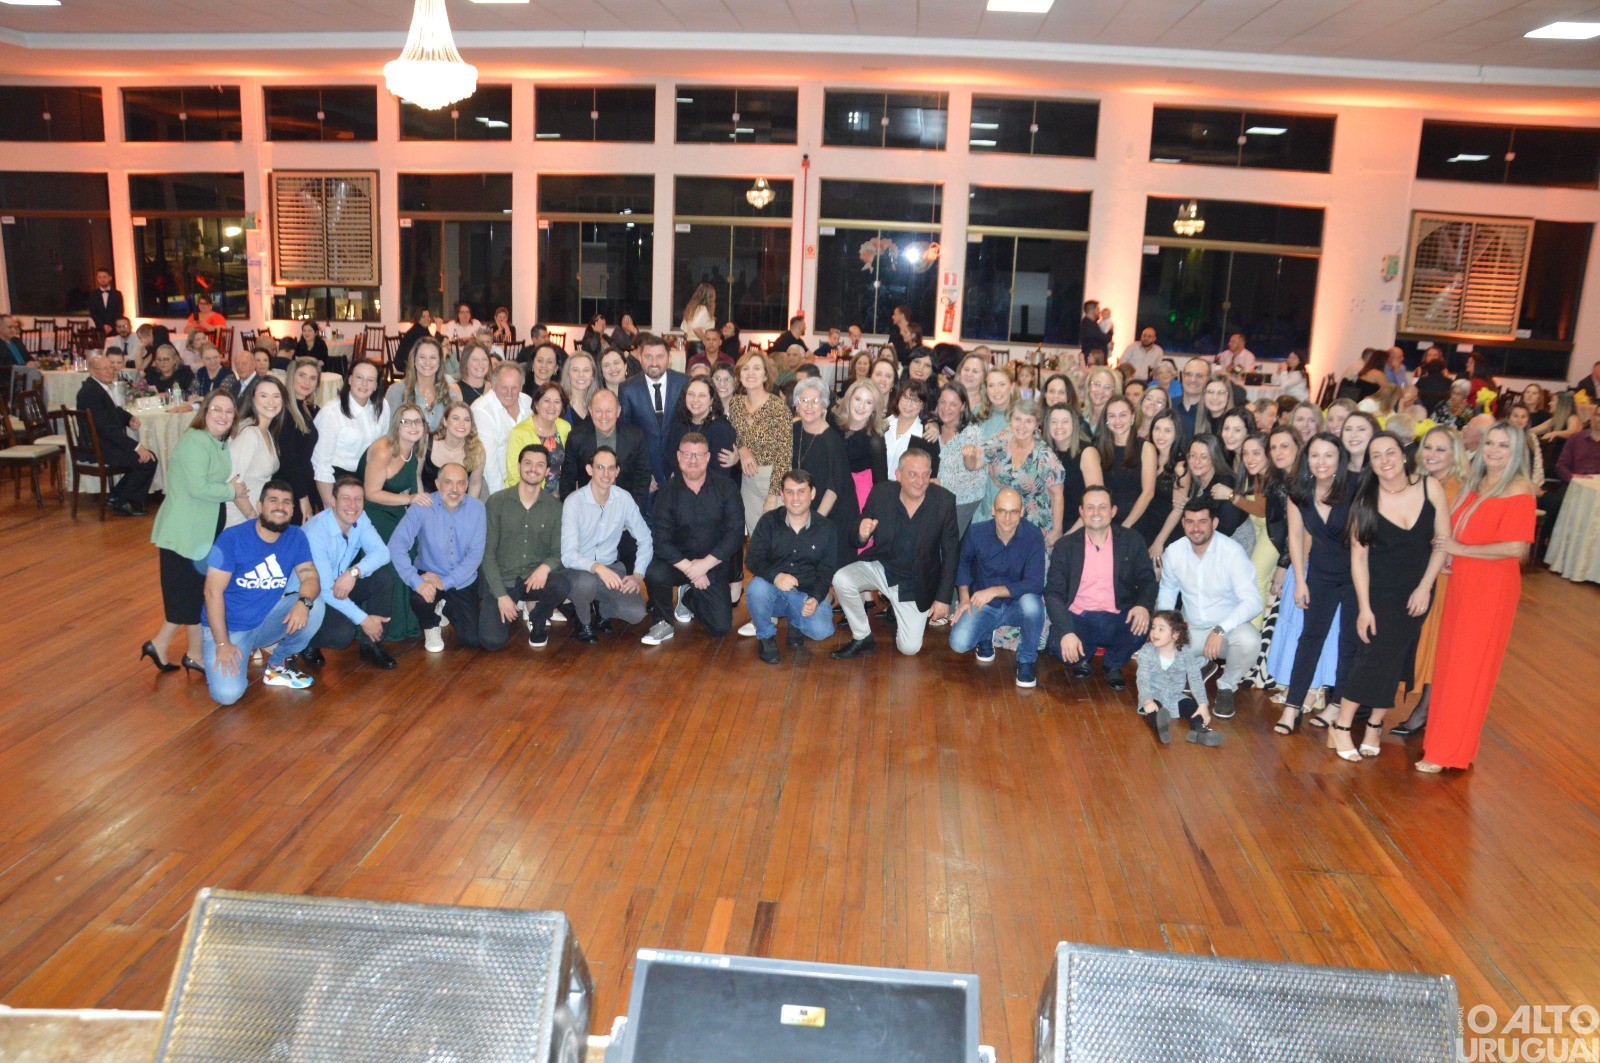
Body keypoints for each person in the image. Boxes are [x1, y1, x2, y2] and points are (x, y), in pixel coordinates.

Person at [1417, 424, 1537, 774]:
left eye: (1504, 445)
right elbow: (1458, 529)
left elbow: (1517, 548)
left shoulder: (1519, 489)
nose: (1495, 450)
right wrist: (1453, 554)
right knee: (1450, 665)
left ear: (1517, 452)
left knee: (1469, 669)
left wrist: (1461, 549)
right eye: (1490, 443)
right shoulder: (1477, 482)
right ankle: (1444, 744)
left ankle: (1447, 751)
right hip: (1462, 582)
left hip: (1491, 589)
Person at [1322, 433, 1449, 761]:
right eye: (1376, 456)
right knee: (1372, 657)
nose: (1384, 460)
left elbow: (1443, 543)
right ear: (1370, 463)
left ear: (1403, 455)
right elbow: (1358, 558)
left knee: (1396, 658)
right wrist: (1364, 608)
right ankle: (1342, 725)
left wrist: (1424, 587)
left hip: (1418, 591)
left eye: (1390, 452)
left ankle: (1376, 723)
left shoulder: (1429, 487)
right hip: (1377, 593)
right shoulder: (1365, 500)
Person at [143, 391, 250, 676]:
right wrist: (233, 491)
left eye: (229, 412)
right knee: (187, 595)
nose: (223, 416)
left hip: (199, 531)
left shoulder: (217, 442)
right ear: (204, 412)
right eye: (217, 409)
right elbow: (198, 487)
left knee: (190, 595)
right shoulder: (195, 441)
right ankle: (186, 652)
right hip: (183, 530)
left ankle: (174, 648)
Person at [200, 480, 324, 705]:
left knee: (315, 605)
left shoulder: (296, 536)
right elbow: (211, 593)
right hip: (229, 628)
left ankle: (278, 664)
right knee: (227, 695)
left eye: (287, 502)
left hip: (266, 619)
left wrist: (303, 603)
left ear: (293, 510)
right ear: (259, 506)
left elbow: (310, 577)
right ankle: (224, 651)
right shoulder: (232, 538)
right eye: (273, 501)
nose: (280, 507)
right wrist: (221, 643)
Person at [831, 450, 959, 658]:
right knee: (842, 579)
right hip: (883, 567)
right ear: (898, 475)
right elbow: (856, 536)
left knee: (909, 649)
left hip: (915, 582)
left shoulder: (944, 502)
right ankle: (862, 636)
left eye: (925, 474)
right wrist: (862, 534)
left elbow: (952, 553)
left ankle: (899, 613)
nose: (920, 481)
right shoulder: (882, 493)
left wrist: (943, 598)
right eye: (913, 474)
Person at [1272, 433, 1356, 735]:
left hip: (1355, 574)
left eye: (1328, 455)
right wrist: (1300, 579)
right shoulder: (1300, 492)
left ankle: (1336, 705)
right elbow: (1295, 536)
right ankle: (1292, 707)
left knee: (1349, 642)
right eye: (1315, 455)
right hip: (1319, 572)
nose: (1321, 462)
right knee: (1310, 639)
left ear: (1339, 460)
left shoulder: (1352, 490)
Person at [1390, 426, 1466, 737]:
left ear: (1454, 455)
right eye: (1429, 448)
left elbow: (1451, 531)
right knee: (1423, 640)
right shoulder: (1421, 481)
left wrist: (1447, 553)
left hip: (1441, 575)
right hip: (1417, 569)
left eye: (1441, 449)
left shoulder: (1456, 486)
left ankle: (1426, 709)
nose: (1433, 454)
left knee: (1435, 642)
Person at [1156, 499, 1263, 718]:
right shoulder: (1174, 552)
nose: (1196, 528)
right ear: (1183, 524)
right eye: (1190, 522)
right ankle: (1198, 665)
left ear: (1214, 523)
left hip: (1226, 633)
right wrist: (1166, 627)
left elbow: (1253, 601)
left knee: (1250, 640)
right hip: (1191, 629)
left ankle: (1226, 686)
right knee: (1158, 671)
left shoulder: (1232, 552)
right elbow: (1167, 590)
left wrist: (1220, 629)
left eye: (1202, 522)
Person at [1045, 484, 1156, 690]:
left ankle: (1113, 663)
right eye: (1090, 507)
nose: (1096, 513)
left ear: (1113, 511)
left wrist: (1143, 606)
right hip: (1079, 617)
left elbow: (1148, 580)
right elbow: (1053, 593)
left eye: (1102, 507)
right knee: (1062, 652)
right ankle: (1082, 656)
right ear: (1081, 512)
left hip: (1117, 616)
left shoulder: (1132, 540)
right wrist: (1067, 632)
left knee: (1144, 624)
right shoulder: (1065, 546)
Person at [641, 432, 744, 645]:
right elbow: (661, 540)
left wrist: (704, 566)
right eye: (688, 455)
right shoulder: (667, 492)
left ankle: (688, 597)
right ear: (678, 457)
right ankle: (663, 623)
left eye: (699, 455)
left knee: (720, 628)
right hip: (678, 564)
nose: (693, 461)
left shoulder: (727, 488)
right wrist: (691, 569)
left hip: (713, 563)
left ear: (708, 457)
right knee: (654, 571)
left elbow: (734, 535)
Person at [949, 488, 1048, 687]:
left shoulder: (1033, 536)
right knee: (958, 644)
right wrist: (964, 598)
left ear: (1022, 512)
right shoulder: (977, 532)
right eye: (1002, 510)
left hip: (1016, 604)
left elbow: (1035, 583)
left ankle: (1027, 660)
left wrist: (994, 591)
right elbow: (963, 564)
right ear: (993, 510)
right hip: (983, 605)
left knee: (1034, 605)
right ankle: (986, 635)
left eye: (1013, 512)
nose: (1007, 518)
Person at [298, 476, 398, 670]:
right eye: (346, 498)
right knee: (343, 634)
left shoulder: (361, 518)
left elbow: (383, 552)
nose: (352, 505)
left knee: (382, 577)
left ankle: (371, 646)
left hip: (336, 585)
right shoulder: (316, 533)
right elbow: (325, 590)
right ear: (333, 501)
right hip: (309, 597)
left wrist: (354, 572)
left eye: (358, 499)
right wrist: (364, 619)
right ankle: (305, 640)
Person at [386, 461, 487, 653]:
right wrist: (416, 581)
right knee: (420, 598)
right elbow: (396, 544)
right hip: (429, 573)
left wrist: (446, 582)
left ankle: (444, 605)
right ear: (437, 483)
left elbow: (475, 555)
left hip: (462, 579)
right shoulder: (422, 506)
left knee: (471, 639)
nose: (455, 489)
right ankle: (431, 625)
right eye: (448, 482)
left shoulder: (477, 509)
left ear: (467, 485)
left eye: (460, 483)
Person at [479, 445, 572, 651]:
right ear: (519, 466)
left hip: (534, 580)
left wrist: (545, 567)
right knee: (492, 641)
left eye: (540, 465)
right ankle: (516, 603)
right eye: (528, 463)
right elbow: (487, 554)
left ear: (547, 471)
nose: (533, 469)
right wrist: (501, 596)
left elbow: (558, 551)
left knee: (561, 584)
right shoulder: (497, 502)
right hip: (504, 581)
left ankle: (538, 617)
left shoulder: (555, 507)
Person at [744, 470, 839, 663]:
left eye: (801, 491)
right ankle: (766, 635)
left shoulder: (827, 528)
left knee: (822, 631)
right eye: (789, 491)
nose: (795, 498)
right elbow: (752, 558)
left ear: (812, 494)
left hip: (803, 596)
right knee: (756, 588)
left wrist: (816, 597)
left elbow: (826, 570)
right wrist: (777, 576)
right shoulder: (768, 522)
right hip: (772, 591)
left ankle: (796, 623)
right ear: (781, 494)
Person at [561, 446, 653, 642]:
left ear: (617, 472)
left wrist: (637, 575)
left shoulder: (624, 499)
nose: (606, 474)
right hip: (579, 570)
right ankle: (583, 620)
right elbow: (568, 555)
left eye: (611, 468)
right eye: (600, 467)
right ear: (589, 470)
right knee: (587, 582)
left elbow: (645, 538)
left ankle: (601, 608)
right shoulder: (574, 502)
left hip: (611, 569)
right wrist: (598, 568)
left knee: (636, 614)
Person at [73, 352, 157, 516]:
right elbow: (107, 429)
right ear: (92, 371)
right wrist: (137, 447)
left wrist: (128, 418)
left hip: (102, 444)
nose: (109, 371)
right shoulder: (92, 392)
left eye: (110, 368)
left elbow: (112, 412)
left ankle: (117, 496)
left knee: (147, 458)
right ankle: (124, 502)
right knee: (147, 460)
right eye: (103, 369)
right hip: (98, 449)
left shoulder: (97, 388)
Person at [971, 400, 1065, 544]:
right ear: (1010, 420)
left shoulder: (1045, 456)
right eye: (1017, 419)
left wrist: (1057, 531)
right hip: (1006, 523)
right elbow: (976, 462)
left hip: (1037, 526)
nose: (1021, 426)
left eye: (1028, 421)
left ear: (1036, 424)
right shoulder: (1000, 442)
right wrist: (977, 461)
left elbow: (1057, 494)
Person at [1133, 611, 1224, 747]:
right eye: (1153, 628)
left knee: (1192, 707)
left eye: (1161, 629)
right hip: (1153, 694)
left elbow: (1195, 679)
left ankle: (1199, 731)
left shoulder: (1185, 653)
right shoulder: (1147, 651)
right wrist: (1147, 700)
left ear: (1176, 634)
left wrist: (1203, 705)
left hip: (1176, 696)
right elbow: (1142, 679)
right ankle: (1160, 726)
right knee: (1154, 710)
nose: (1154, 633)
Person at [618, 334, 687, 506]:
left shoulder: (684, 383)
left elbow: (690, 428)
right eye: (648, 356)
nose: (654, 362)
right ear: (640, 358)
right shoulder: (628, 389)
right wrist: (642, 474)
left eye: (660, 356)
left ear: (669, 358)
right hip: (645, 477)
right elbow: (624, 436)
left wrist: (680, 468)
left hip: (679, 473)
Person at [561, 386, 650, 515]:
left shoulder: (635, 437)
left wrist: (633, 514)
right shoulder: (576, 438)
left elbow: (643, 479)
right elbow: (567, 480)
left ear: (618, 411)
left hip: (625, 512)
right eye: (598, 410)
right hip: (587, 513)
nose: (604, 416)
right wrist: (575, 513)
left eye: (609, 410)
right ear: (590, 411)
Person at [728, 351, 791, 534]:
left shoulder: (777, 407)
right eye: (745, 368)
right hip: (747, 482)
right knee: (756, 541)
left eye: (756, 368)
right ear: (739, 374)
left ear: (765, 375)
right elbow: (734, 435)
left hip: (772, 479)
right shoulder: (736, 404)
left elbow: (784, 455)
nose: (750, 373)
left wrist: (773, 494)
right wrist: (742, 449)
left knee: (778, 539)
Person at [311, 360, 385, 509]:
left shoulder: (382, 406)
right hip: (339, 480)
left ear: (376, 385)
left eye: (370, 380)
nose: (364, 384)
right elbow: (321, 464)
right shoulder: (332, 412)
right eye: (359, 377)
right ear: (350, 379)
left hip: (371, 478)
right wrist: (329, 504)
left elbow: (383, 444)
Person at [223, 376, 287, 528]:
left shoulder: (266, 431)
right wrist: (254, 519)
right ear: (252, 399)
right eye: (263, 396)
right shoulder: (249, 434)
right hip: (239, 518)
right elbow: (232, 481)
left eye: (276, 396)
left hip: (253, 513)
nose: (271, 402)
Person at [471, 362, 532, 496]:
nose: (509, 393)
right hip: (491, 483)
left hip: (524, 479)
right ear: (493, 385)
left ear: (521, 386)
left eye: (515, 388)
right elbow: (489, 463)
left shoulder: (527, 402)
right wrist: (501, 498)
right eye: (504, 387)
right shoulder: (482, 410)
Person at [504, 381, 570, 496]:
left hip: (559, 495)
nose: (552, 406)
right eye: (546, 400)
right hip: (527, 496)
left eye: (557, 402)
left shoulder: (565, 427)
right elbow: (514, 476)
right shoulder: (519, 433)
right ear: (536, 404)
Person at [384, 337, 461, 432]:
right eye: (422, 357)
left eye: (433, 357)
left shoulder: (449, 394)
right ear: (414, 360)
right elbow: (390, 433)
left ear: (439, 362)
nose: (427, 362)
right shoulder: (397, 391)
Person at [426, 401, 485, 498]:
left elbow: (475, 484)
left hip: (458, 505)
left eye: (467, 420)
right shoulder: (427, 443)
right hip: (427, 503)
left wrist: (468, 511)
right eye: (455, 418)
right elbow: (417, 476)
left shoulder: (477, 451)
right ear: (445, 421)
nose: (462, 424)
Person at [392, 309, 436, 377]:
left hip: (411, 360)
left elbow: (432, 342)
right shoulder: (417, 330)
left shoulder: (424, 328)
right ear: (418, 318)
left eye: (428, 316)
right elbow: (432, 343)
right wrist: (438, 328)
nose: (427, 319)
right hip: (404, 362)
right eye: (423, 317)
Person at [1173, 358, 1210, 435]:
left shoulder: (1211, 411)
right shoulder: (1169, 405)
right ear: (1182, 376)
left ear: (1208, 379)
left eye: (1199, 376)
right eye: (1188, 374)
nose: (1193, 380)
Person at [87, 266, 124, 333]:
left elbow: (120, 312)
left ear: (110, 278)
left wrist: (112, 326)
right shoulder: (93, 294)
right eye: (99, 277)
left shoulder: (117, 294)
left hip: (114, 329)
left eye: (104, 277)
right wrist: (103, 325)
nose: (102, 279)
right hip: (100, 329)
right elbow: (93, 312)